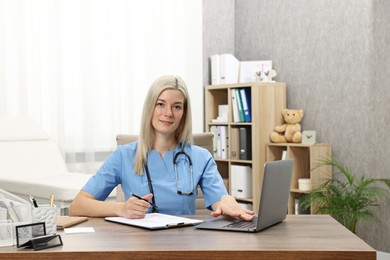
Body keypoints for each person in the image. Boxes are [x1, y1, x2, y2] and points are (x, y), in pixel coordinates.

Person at [69, 75, 254, 221]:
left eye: (177, 107)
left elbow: (219, 203)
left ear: (184, 113)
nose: (168, 113)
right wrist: (121, 209)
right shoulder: (123, 156)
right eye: (160, 104)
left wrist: (226, 201)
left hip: (185, 246)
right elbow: (78, 206)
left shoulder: (201, 157)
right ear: (150, 107)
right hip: (139, 246)